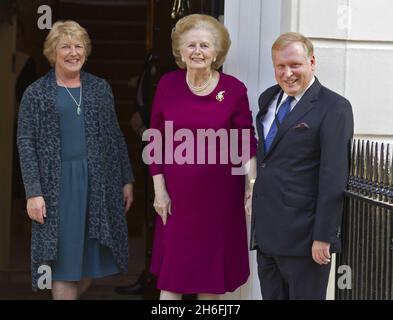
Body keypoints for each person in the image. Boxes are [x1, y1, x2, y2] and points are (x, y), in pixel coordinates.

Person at [17, 20, 134, 300]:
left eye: (78, 46)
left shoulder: (99, 88)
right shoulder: (36, 93)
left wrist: (127, 179)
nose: (73, 52)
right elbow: (25, 143)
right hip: (58, 189)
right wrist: (34, 192)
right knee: (64, 269)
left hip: (97, 185)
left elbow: (115, 136)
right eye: (65, 46)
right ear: (52, 51)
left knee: (89, 266)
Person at [147, 14, 257, 300]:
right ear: (180, 52)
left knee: (211, 279)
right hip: (177, 201)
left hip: (220, 200)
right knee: (173, 278)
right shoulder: (168, 85)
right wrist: (159, 191)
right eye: (191, 45)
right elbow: (155, 140)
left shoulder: (233, 90)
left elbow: (246, 140)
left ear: (217, 52)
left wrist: (251, 184)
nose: (198, 52)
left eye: (205, 46)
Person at [250, 32, 354, 300]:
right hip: (267, 236)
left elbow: (333, 176)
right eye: (280, 66)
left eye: (295, 65)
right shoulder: (267, 99)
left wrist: (324, 236)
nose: (288, 74)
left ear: (312, 62)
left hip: (305, 240)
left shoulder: (334, 107)